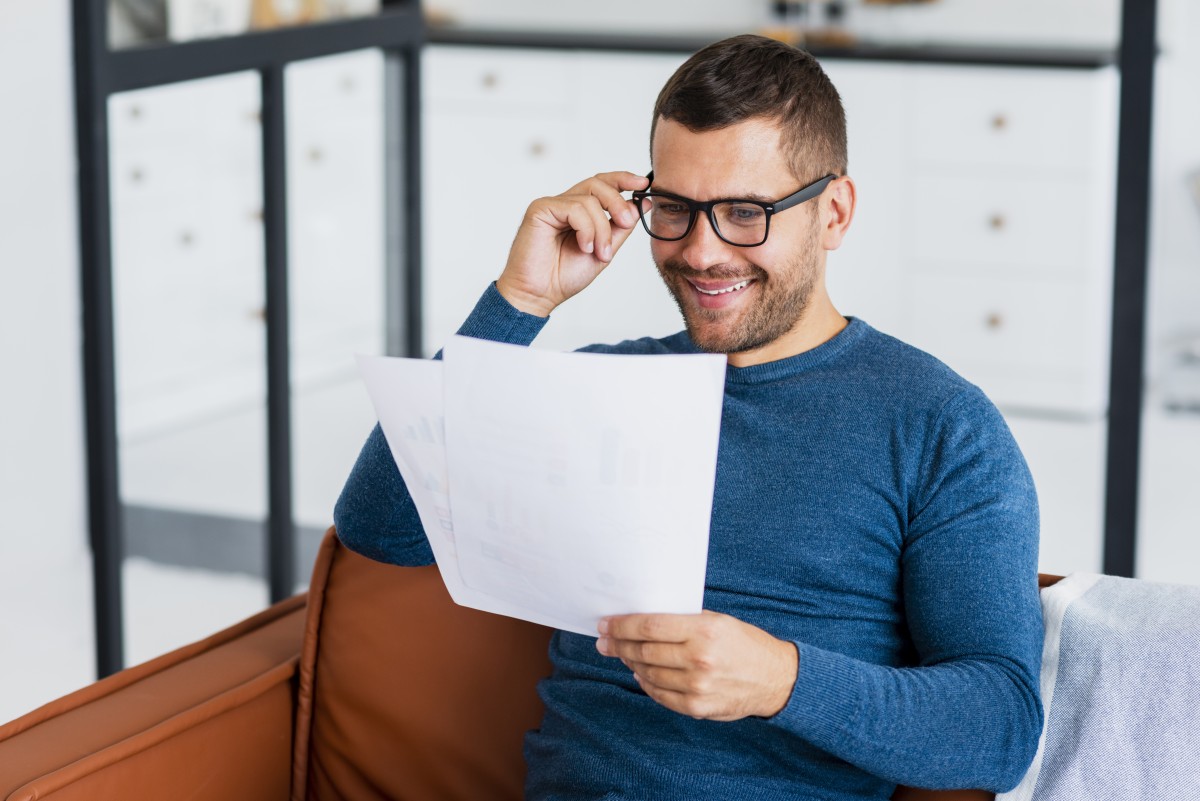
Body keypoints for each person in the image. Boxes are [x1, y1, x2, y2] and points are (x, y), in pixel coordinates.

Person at [334, 33, 1044, 800]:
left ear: (833, 212)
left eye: (745, 212)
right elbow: (380, 528)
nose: (702, 251)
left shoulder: (941, 426)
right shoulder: (600, 385)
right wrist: (519, 302)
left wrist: (781, 679)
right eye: (673, 209)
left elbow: (1000, 725)